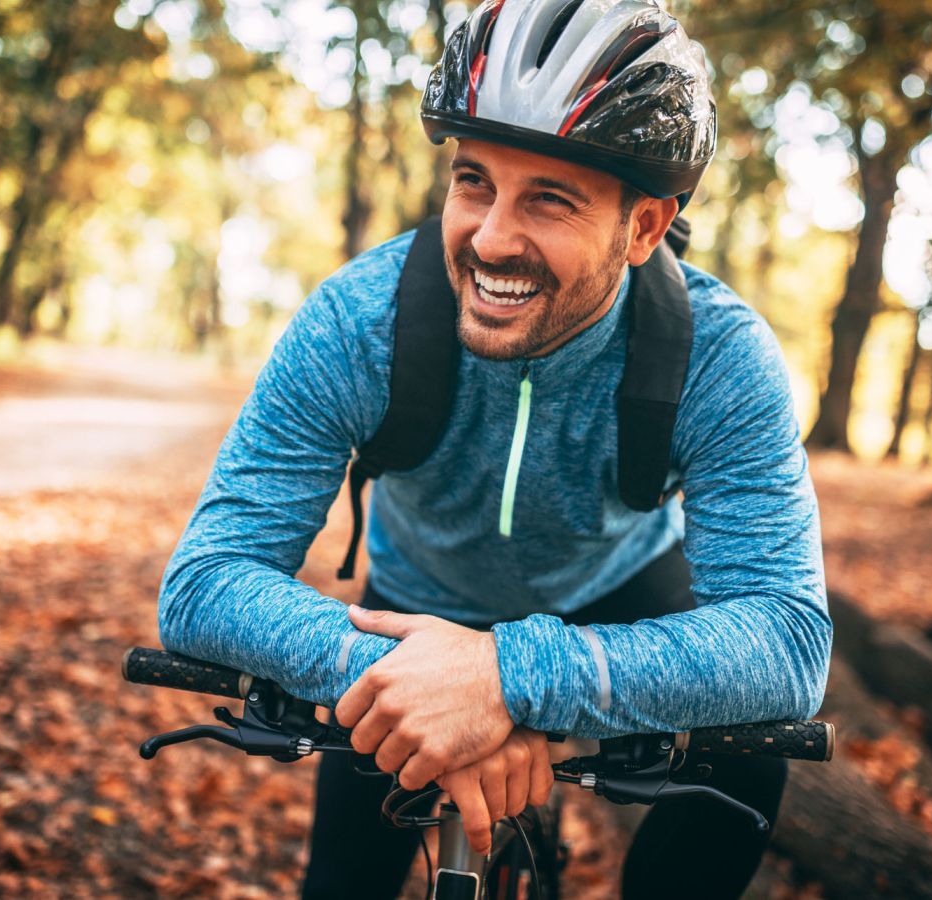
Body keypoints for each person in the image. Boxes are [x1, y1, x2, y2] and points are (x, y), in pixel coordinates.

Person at [157, 0, 831, 896]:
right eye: (474, 180)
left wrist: (510, 678)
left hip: (618, 592)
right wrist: (425, 682)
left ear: (644, 228)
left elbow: (786, 642)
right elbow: (205, 580)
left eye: (550, 199)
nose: (490, 238)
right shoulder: (359, 323)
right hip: (410, 613)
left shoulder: (720, 356)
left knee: (744, 766)